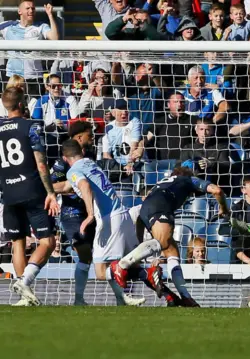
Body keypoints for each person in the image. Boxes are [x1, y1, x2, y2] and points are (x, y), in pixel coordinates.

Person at [110, 166, 229, 307]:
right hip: (162, 205)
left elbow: (142, 218)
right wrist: (224, 208)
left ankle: (185, 296)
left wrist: (139, 249)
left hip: (146, 209)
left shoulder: (163, 182)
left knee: (172, 251)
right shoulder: (188, 179)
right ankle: (122, 265)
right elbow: (217, 191)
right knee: (162, 241)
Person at [59, 140, 148, 307]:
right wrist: (45, 188)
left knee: (101, 272)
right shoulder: (90, 164)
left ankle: (131, 279)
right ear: (82, 151)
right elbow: (66, 186)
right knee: (129, 264)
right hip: (123, 214)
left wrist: (90, 214)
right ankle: (123, 297)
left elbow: (84, 186)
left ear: (65, 158)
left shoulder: (73, 170)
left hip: (109, 219)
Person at [0, 87, 60, 306]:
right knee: (48, 241)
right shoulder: (30, 126)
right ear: (21, 104)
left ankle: (23, 297)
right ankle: (25, 281)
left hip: (8, 192)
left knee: (18, 242)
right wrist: (51, 193)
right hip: (32, 191)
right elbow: (40, 162)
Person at [50, 121, 97, 305]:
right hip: (72, 212)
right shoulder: (63, 160)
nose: (92, 138)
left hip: (91, 210)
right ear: (79, 137)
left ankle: (118, 296)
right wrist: (71, 189)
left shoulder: (91, 155)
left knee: (96, 255)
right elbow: (50, 185)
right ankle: (79, 298)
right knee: (84, 251)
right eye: (89, 135)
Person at [1, 1, 59, 97]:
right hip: (13, 77)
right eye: (27, 8)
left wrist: (50, 15)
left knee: (34, 109)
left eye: (33, 8)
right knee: (13, 108)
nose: (31, 11)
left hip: (34, 77)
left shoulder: (41, 26)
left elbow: (54, 38)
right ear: (19, 11)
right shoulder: (9, 26)